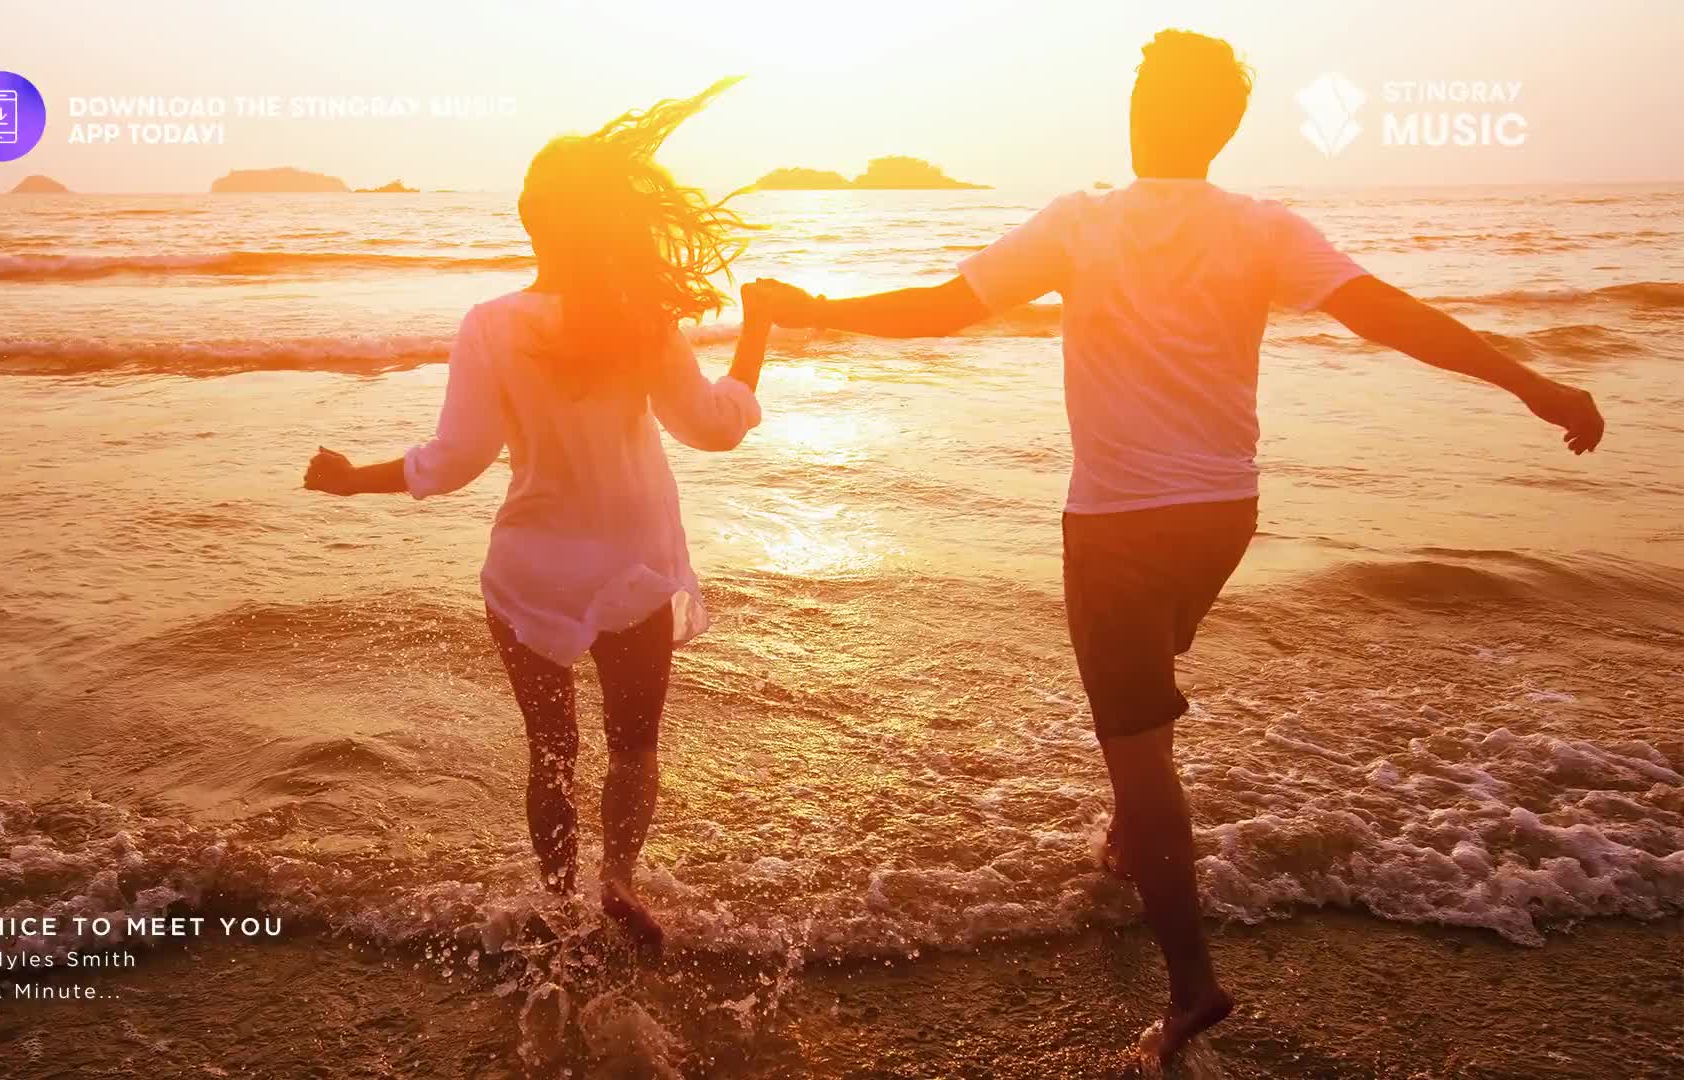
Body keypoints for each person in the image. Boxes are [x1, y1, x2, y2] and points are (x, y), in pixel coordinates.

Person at [753, 29, 1605, 1066]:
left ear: (1138, 110)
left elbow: (943, 309)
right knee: (1144, 698)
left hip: (1115, 525)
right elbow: (1389, 316)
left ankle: (1193, 985)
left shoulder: (1081, 222)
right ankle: (1129, 837)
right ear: (1223, 127)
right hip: (1224, 520)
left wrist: (819, 309)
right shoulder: (1261, 227)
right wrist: (1533, 382)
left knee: (1141, 748)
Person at [302, 79, 778, 949]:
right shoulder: (641, 320)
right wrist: (758, 334)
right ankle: (620, 883)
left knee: (551, 752)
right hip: (635, 567)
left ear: (530, 216)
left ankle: (559, 908)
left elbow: (453, 464)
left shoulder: (492, 325)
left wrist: (349, 480)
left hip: (532, 570)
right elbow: (713, 430)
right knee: (633, 747)